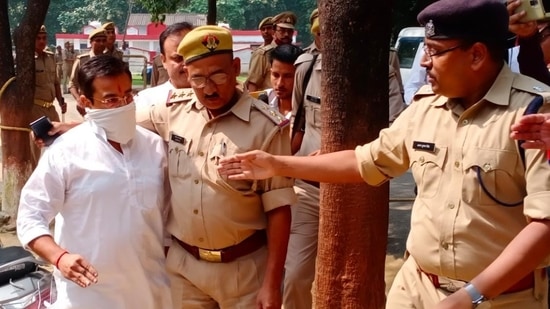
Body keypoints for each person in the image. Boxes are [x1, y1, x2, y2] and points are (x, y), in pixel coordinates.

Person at [219, 1, 550, 308]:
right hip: (417, 289)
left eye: (434, 52)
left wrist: (471, 295)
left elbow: (545, 224)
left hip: (503, 298)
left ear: (477, 55)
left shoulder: (535, 115)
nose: (423, 62)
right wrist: (277, 164)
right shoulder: (426, 108)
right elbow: (366, 161)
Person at [135, 25, 296, 309]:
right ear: (186, 74)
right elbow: (121, 121)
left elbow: (279, 208)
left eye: (218, 75)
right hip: (184, 268)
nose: (209, 88)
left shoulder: (267, 127)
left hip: (244, 272)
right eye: (197, 78)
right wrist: (67, 128)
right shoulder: (173, 110)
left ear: (236, 68)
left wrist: (271, 283)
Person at [18, 55, 172, 308]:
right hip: (89, 292)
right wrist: (60, 258)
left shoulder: (155, 147)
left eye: (128, 95)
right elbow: (30, 216)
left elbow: (169, 216)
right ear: (85, 102)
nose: (122, 104)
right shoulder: (66, 150)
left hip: (151, 288)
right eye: (111, 99)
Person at [134, 22, 194, 107]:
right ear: (163, 60)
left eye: (190, 57)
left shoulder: (215, 99)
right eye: (178, 58)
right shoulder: (145, 102)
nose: (185, 64)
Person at [32, 25, 67, 167]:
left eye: (44, 38)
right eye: (38, 38)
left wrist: (61, 101)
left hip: (51, 108)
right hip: (35, 108)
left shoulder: (51, 57)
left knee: (61, 141)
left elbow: (56, 83)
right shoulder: (27, 59)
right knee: (36, 146)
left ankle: (59, 174)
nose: (42, 41)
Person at [247, 11, 297, 92]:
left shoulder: (296, 54)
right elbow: (253, 85)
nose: (286, 34)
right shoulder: (263, 54)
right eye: (282, 30)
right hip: (267, 103)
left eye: (290, 31)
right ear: (274, 32)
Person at [68, 28, 107, 116]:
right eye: (98, 40)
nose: (101, 43)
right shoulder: (82, 60)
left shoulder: (108, 61)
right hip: (88, 105)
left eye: (104, 41)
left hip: (106, 105)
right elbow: (72, 84)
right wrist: (79, 100)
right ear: (91, 42)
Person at [260, 44, 303, 118]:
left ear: (300, 76)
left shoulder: (309, 111)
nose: (280, 84)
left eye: (287, 76)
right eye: (275, 75)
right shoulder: (261, 100)